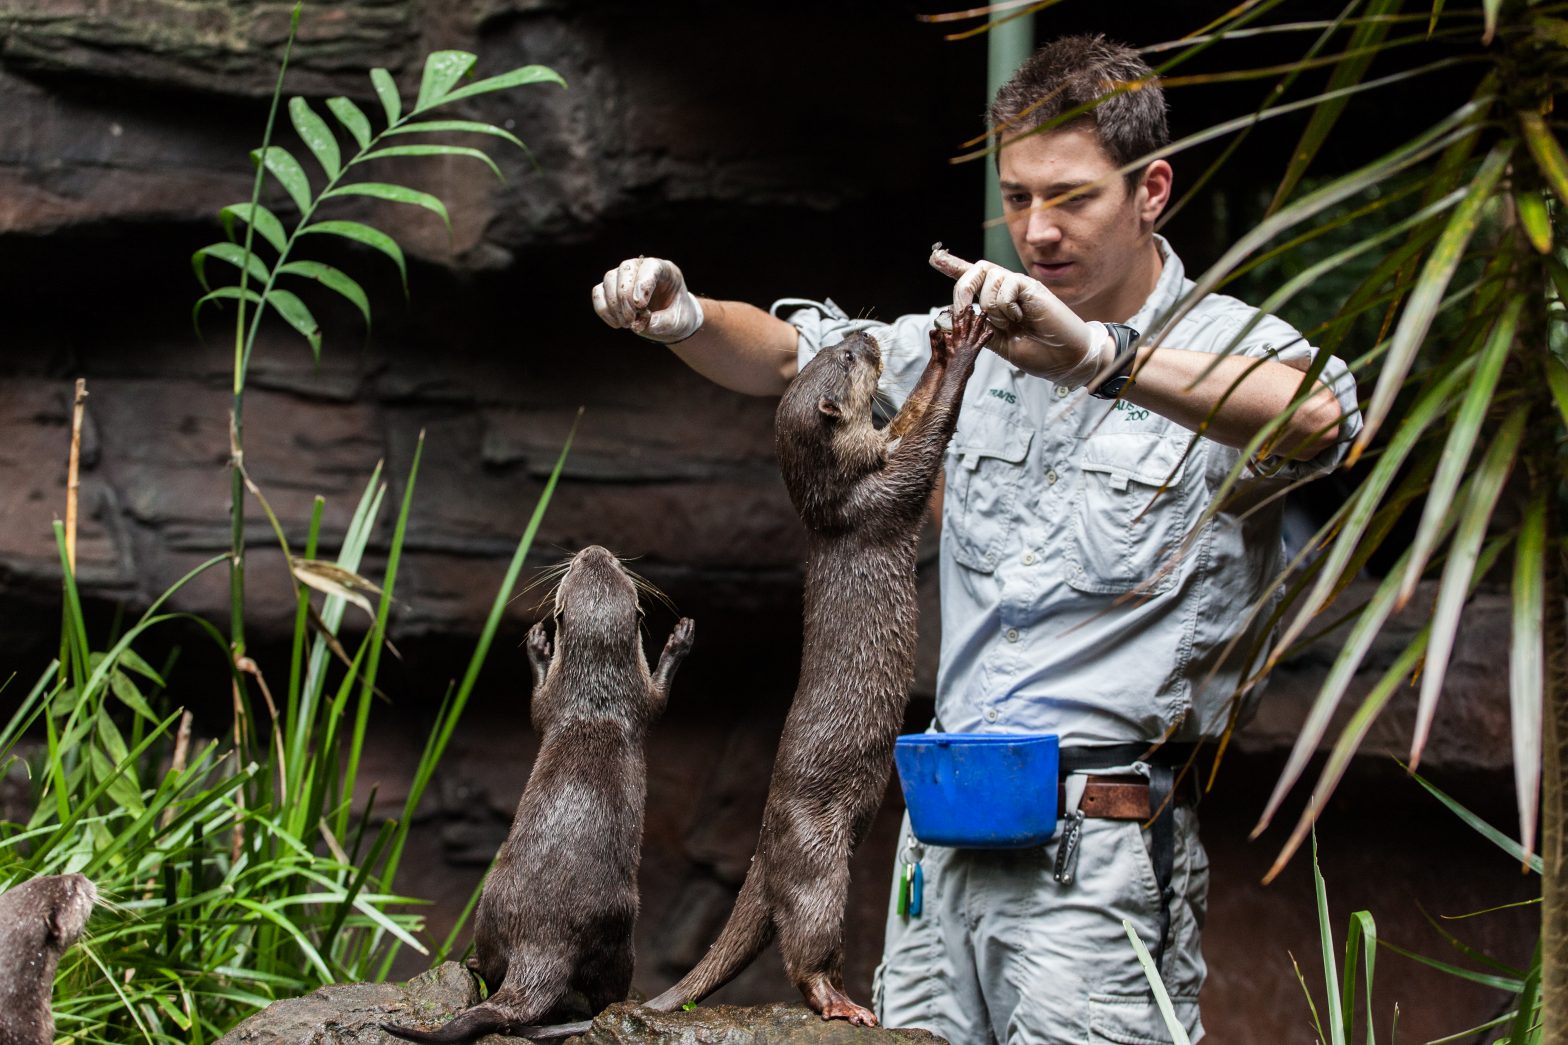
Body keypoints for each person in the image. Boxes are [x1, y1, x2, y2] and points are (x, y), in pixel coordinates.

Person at [591, 34, 1360, 1044]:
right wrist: (684, 314)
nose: (1036, 229)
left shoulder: (1225, 345)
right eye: (1017, 196)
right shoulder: (973, 335)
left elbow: (1323, 418)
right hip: (939, 843)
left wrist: (1100, 357)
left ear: (1151, 191)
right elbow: (790, 361)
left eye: (1071, 197)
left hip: (1095, 855)